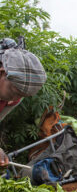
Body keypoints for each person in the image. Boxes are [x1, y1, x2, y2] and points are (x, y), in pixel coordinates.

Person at [0, 38, 47, 166]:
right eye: (15, 92)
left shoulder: (12, 100)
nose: (16, 99)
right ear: (2, 73)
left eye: (22, 96)